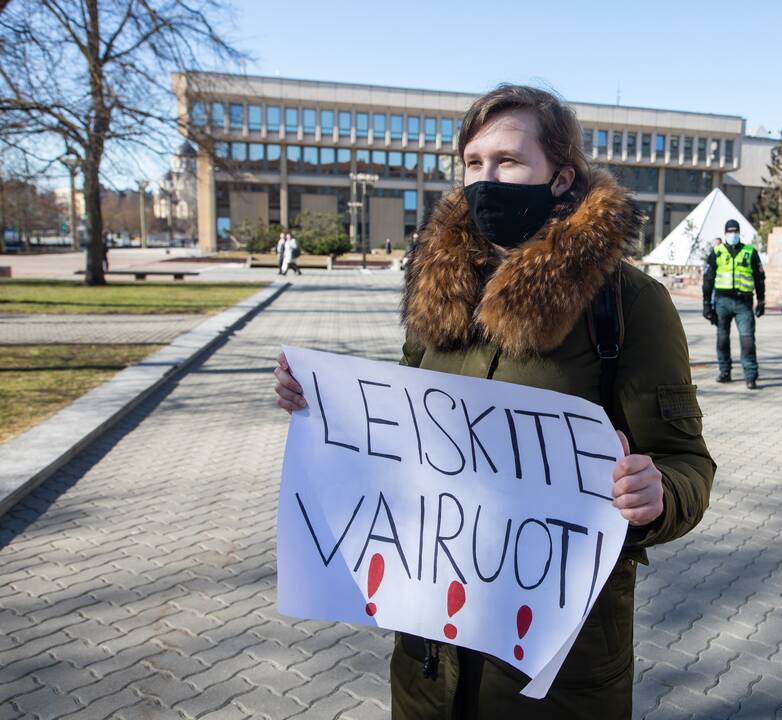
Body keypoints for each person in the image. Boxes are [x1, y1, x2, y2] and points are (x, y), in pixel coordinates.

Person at [273, 84, 715, 720]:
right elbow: (405, 422)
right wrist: (323, 406)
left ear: (561, 177)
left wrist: (658, 495)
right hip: (431, 649)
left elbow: (686, 463)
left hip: (556, 663)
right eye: (473, 162)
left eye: (508, 161)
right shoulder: (437, 288)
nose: (486, 179)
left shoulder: (629, 304)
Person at [701, 219, 765, 389]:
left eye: (735, 231)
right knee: (722, 339)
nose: (732, 235)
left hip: (744, 302)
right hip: (722, 302)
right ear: (725, 233)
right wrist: (706, 304)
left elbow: (759, 279)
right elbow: (708, 279)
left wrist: (761, 300)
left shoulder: (750, 251)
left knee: (748, 341)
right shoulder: (717, 252)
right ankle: (724, 371)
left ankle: (750, 376)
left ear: (739, 232)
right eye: (729, 232)